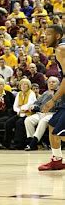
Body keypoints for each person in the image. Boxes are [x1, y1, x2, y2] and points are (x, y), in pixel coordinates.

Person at [38, 25, 65, 171]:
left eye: (48, 34)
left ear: (58, 36)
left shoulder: (61, 49)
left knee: (60, 133)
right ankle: (57, 160)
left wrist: (53, 100)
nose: (44, 37)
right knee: (53, 126)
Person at [24, 77, 60, 151]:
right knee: (28, 120)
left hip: (53, 113)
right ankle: (32, 141)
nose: (51, 83)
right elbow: (37, 103)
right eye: (49, 82)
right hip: (41, 113)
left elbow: (58, 106)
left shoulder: (60, 93)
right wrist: (33, 106)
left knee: (43, 121)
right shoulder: (45, 93)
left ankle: (33, 143)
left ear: (58, 84)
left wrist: (53, 96)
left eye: (53, 82)